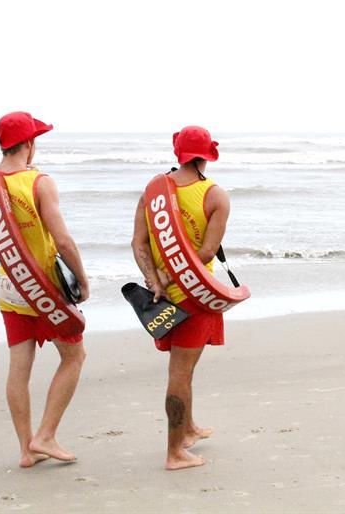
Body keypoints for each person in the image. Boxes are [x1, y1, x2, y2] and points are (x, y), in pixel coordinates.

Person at [0, 111, 90, 467]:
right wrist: (83, 280)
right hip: (43, 287)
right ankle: (45, 435)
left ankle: (26, 450)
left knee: (19, 367)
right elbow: (63, 240)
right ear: (29, 143)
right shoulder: (39, 182)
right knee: (74, 356)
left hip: (9, 284)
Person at [131, 125, 230, 470]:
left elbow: (139, 243)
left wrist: (155, 279)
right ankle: (175, 451)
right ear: (207, 156)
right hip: (196, 296)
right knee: (180, 373)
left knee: (184, 369)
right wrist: (172, 278)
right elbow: (206, 252)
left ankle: (187, 428)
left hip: (163, 296)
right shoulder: (215, 196)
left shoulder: (154, 191)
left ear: (179, 153)